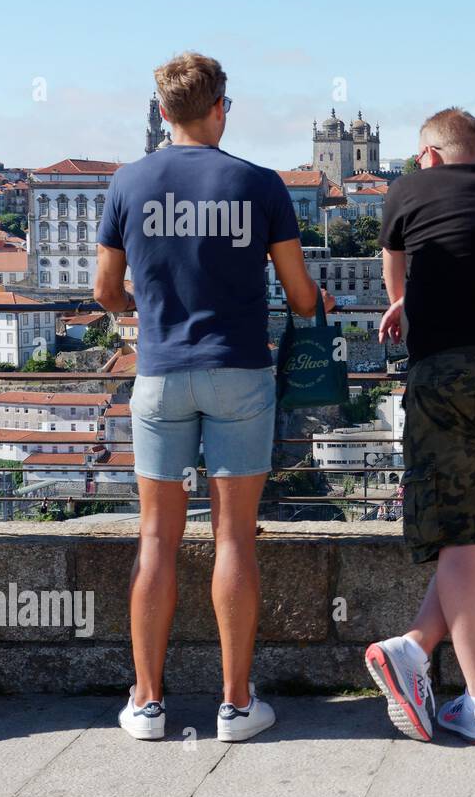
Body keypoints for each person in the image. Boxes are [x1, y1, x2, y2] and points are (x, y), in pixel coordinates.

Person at [95, 51, 328, 743]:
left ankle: (146, 703)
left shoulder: (129, 182)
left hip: (161, 372)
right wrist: (320, 300)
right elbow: (299, 294)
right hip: (239, 373)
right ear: (221, 107)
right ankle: (234, 705)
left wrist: (150, 306)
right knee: (234, 538)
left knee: (157, 539)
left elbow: (106, 291)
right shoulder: (259, 184)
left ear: (163, 113)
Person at [365, 108, 475, 746]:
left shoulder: (410, 190)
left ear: (431, 156)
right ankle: (416, 651)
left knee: (457, 535)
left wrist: (402, 304)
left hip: (444, 370)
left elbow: (398, 259)